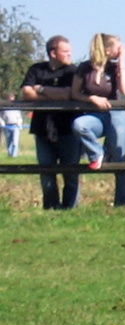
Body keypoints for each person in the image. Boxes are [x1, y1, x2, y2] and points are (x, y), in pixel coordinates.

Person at [70, 33, 125, 206]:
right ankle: (98, 153)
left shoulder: (115, 68)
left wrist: (121, 63)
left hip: (117, 115)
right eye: (118, 48)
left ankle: (123, 202)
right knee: (79, 125)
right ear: (107, 50)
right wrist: (91, 99)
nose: (121, 50)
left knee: (120, 158)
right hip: (95, 115)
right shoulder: (85, 68)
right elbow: (74, 93)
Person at [21, 35, 80, 209]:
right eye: (65, 51)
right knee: (46, 172)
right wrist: (55, 94)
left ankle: (70, 208)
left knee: (71, 172)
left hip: (68, 129)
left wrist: (41, 90)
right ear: (53, 53)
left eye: (70, 51)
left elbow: (70, 94)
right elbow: (26, 94)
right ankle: (51, 207)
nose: (70, 54)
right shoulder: (36, 70)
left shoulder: (73, 72)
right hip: (42, 128)